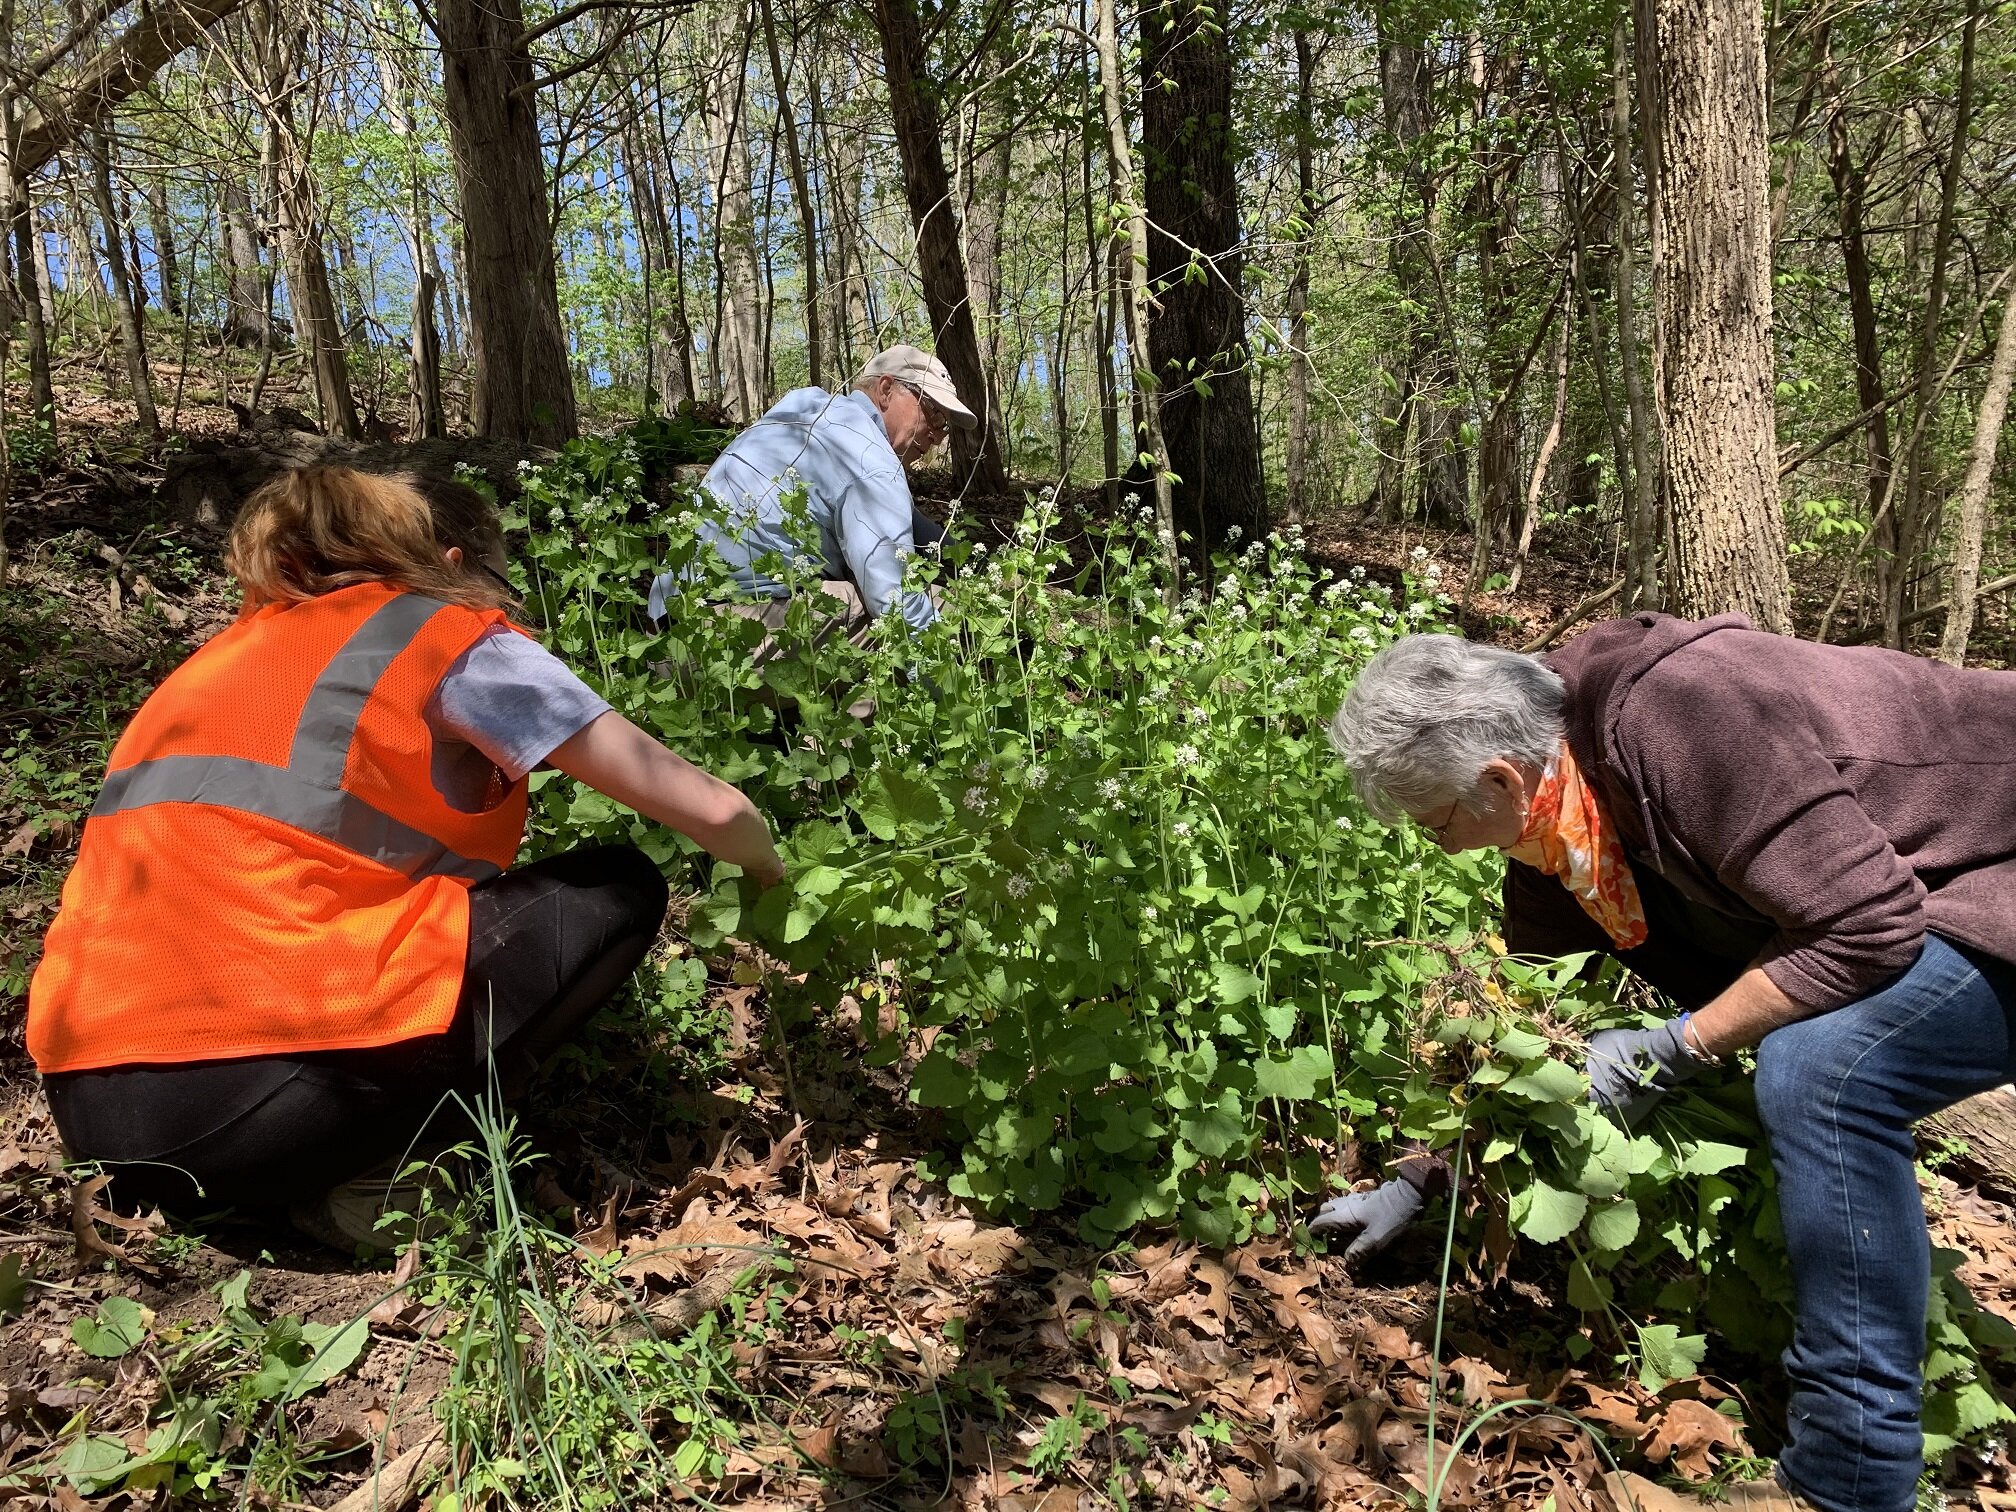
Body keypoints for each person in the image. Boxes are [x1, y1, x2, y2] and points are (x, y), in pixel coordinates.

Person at [1322, 616, 2016, 1512]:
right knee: (1786, 1040)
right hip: (1929, 881)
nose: (1444, 847)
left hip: (1993, 864)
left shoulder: (1688, 720)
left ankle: (1848, 1483)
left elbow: (1867, 927)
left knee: (1824, 1071)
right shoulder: (1556, 835)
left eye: (1439, 823)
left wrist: (1674, 1048)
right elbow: (1543, 1049)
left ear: (1497, 777)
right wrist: (1429, 1175)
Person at [28, 466, 786, 1252]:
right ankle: (384, 1175)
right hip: (253, 1100)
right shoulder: (436, 632)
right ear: (451, 566)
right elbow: (715, 809)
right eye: (498, 582)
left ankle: (295, 1182)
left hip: (92, 1106)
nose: (503, 605)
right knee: (613, 886)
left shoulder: (216, 663)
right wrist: (774, 878)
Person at [647, 344, 978, 640]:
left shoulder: (805, 408)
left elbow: (911, 524)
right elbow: (896, 601)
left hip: (666, 627)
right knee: (930, 609)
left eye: (945, 426)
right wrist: (952, 690)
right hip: (719, 636)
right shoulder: (870, 458)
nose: (937, 435)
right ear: (886, 389)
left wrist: (971, 560)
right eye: (933, 413)